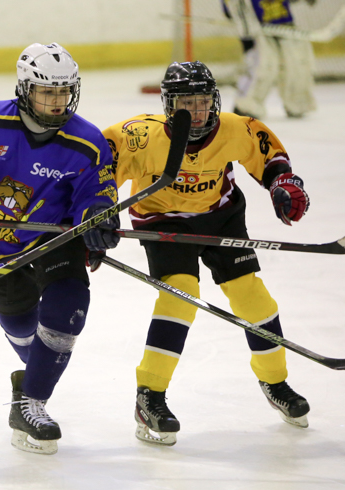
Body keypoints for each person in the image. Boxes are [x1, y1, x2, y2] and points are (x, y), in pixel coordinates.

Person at [103, 61, 311, 446]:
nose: (196, 111)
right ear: (169, 105)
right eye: (186, 103)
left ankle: (275, 382)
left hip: (220, 218)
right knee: (180, 297)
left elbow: (267, 155)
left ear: (214, 100)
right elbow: (99, 171)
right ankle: (150, 396)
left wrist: (283, 183)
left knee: (253, 298)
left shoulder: (233, 128)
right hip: (163, 222)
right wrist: (93, 213)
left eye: (202, 101)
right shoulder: (138, 137)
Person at [0, 42, 120, 455]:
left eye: (64, 91)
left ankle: (30, 402)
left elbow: (96, 192)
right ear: (24, 89)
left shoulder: (87, 141)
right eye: (47, 92)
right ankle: (33, 375)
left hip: (51, 236)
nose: (57, 101)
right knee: (21, 329)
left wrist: (98, 218)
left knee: (68, 309)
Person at [223, 0, 317, 119]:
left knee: (297, 65)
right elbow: (230, 10)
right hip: (257, 30)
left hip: (285, 25)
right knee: (264, 66)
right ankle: (245, 105)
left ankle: (297, 103)